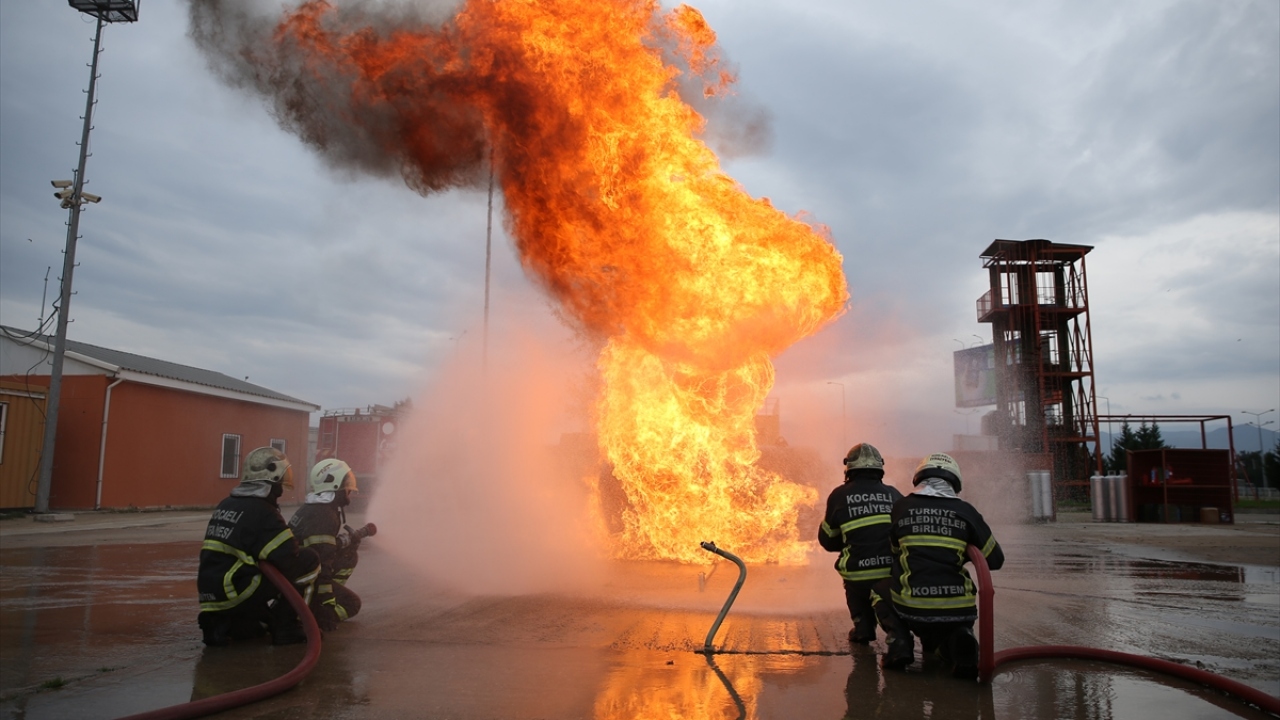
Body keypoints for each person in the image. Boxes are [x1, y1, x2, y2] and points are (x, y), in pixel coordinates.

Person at [871, 452, 1004, 679]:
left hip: (913, 606)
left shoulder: (901, 507)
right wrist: (958, 549)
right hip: (958, 609)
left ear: (919, 478)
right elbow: (995, 560)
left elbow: (894, 551)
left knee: (878, 589)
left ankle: (899, 642)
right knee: (949, 631)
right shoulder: (967, 511)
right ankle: (960, 639)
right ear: (955, 481)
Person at [197, 447, 321, 646]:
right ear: (273, 478)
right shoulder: (263, 511)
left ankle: (226, 624)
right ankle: (288, 627)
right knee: (309, 560)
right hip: (236, 591)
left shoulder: (227, 504)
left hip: (213, 595)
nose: (281, 489)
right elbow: (288, 556)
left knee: (254, 629)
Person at [818, 443, 904, 644]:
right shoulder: (894, 494)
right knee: (885, 588)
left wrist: (852, 540)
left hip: (858, 572)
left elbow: (827, 540)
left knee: (854, 581)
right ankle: (895, 631)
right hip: (890, 572)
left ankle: (862, 627)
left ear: (849, 469)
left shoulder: (839, 495)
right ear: (879, 468)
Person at [288, 458, 374, 631]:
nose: (350, 489)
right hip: (303, 578)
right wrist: (326, 603)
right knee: (352, 603)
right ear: (334, 484)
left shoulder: (314, 508)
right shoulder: (324, 515)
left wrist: (344, 544)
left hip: (296, 573)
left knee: (349, 555)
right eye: (346, 483)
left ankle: (315, 603)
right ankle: (316, 614)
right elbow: (322, 561)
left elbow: (319, 549)